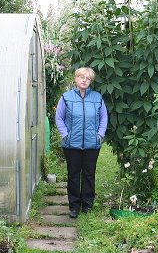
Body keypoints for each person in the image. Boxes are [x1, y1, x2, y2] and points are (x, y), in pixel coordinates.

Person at [55, 67, 108, 218]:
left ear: (91, 81)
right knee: (73, 175)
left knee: (89, 175)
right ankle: (74, 207)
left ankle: (87, 205)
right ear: (76, 79)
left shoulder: (97, 97)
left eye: (88, 78)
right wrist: (65, 134)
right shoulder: (66, 97)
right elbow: (59, 117)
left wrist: (100, 134)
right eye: (81, 77)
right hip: (72, 144)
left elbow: (104, 117)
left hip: (92, 144)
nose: (84, 80)